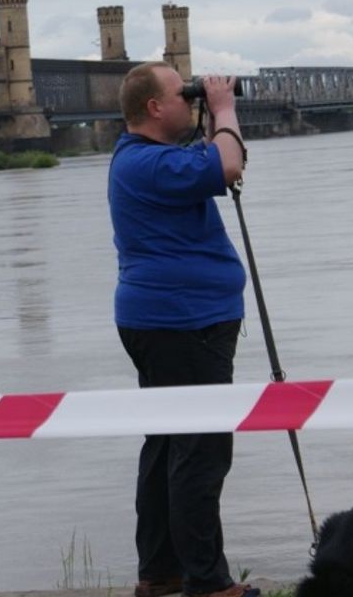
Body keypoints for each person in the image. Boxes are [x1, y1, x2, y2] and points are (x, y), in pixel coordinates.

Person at [108, 61, 258, 597]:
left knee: (169, 443)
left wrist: (209, 117)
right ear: (153, 107)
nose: (190, 98)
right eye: (182, 92)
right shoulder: (149, 164)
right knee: (201, 449)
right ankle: (208, 582)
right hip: (183, 323)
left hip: (168, 321)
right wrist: (222, 108)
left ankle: (161, 572)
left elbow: (216, 159)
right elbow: (228, 166)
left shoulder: (147, 160)